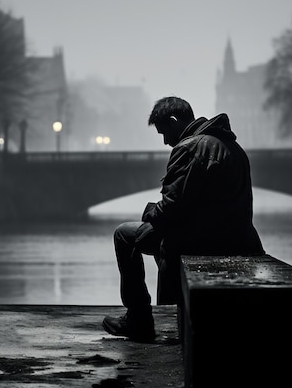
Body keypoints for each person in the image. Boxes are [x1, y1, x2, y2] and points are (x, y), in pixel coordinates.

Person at [102, 96, 264, 342]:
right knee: (154, 233)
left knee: (124, 235)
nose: (166, 141)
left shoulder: (188, 148)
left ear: (174, 121)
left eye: (164, 133)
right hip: (238, 239)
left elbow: (171, 208)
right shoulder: (232, 147)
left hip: (204, 241)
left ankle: (139, 320)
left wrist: (148, 212)